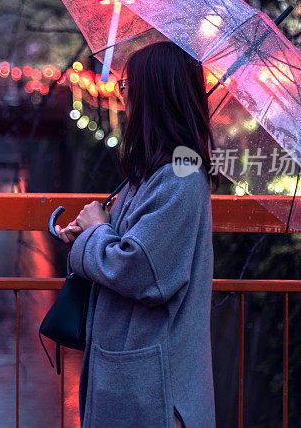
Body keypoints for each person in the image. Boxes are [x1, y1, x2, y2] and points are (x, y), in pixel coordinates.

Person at [54, 41, 217, 428]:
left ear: (154, 93)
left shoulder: (181, 176)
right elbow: (123, 246)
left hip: (158, 391)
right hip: (137, 375)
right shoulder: (153, 173)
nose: (121, 92)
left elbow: (141, 269)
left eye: (128, 84)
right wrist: (88, 236)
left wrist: (94, 233)